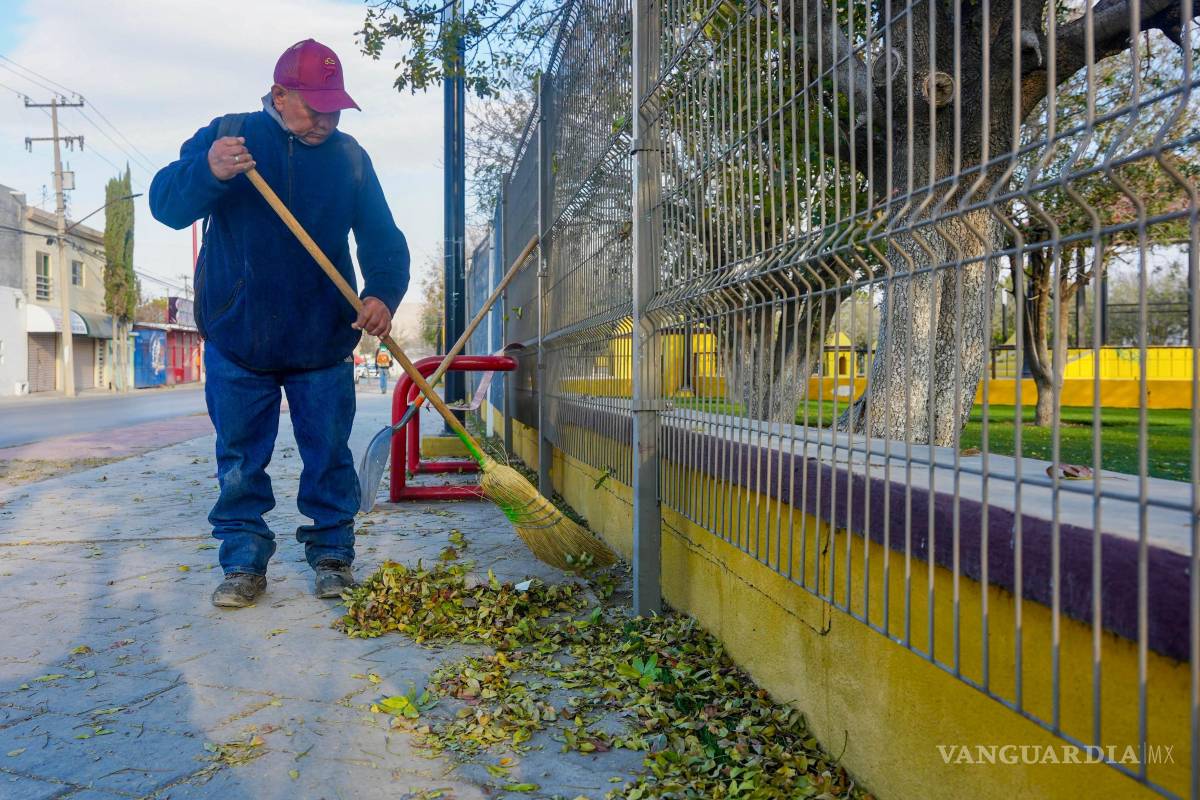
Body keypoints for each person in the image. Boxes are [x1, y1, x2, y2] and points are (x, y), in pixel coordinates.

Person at [149, 39, 410, 608]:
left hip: (321, 337)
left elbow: (383, 239)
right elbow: (166, 205)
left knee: (329, 455)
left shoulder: (349, 157)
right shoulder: (231, 135)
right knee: (240, 460)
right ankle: (243, 561)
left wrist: (382, 295)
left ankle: (333, 554)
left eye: (334, 108)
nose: (326, 119)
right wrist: (210, 170)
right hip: (239, 336)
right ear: (279, 95)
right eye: (315, 107)